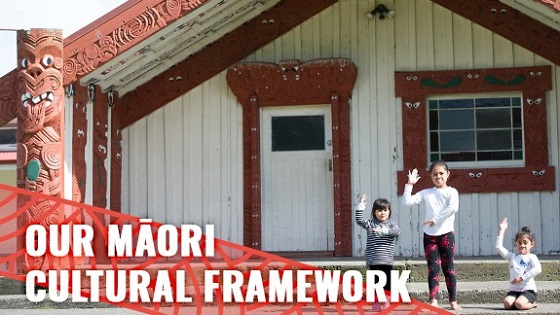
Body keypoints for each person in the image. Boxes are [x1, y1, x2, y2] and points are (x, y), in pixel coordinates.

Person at [402, 160, 461, 310]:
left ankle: (453, 300)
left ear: (448, 174)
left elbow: (453, 208)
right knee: (433, 269)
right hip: (430, 236)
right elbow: (406, 202)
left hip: (447, 235)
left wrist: (435, 220)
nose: (438, 176)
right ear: (430, 176)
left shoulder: (451, 192)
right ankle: (433, 300)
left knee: (448, 268)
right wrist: (410, 184)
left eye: (441, 173)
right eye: (435, 174)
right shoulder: (426, 193)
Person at [355, 194, 401, 311]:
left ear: (389, 211)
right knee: (374, 282)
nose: (382, 213)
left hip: (386, 260)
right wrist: (360, 205)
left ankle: (386, 300)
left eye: (385, 210)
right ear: (374, 212)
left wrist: (384, 231)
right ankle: (375, 302)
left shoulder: (391, 224)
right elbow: (359, 220)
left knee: (387, 282)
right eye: (379, 210)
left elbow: (397, 232)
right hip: (373, 260)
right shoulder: (370, 224)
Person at [495, 217, 542, 310]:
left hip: (528, 291)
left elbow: (537, 269)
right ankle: (517, 303)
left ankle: (531, 304)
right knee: (507, 304)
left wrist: (521, 278)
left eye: (525, 243)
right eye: (519, 243)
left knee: (520, 304)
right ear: (516, 244)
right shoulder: (512, 257)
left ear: (532, 244)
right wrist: (502, 230)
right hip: (514, 290)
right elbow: (498, 248)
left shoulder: (531, 257)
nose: (522, 245)